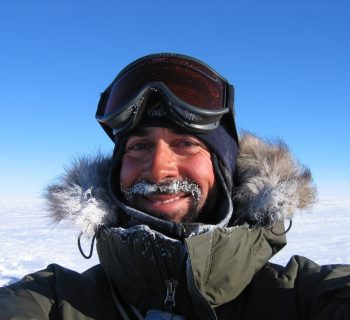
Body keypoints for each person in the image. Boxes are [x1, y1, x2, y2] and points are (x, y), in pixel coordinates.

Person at [0, 53, 349, 319]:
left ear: (223, 169)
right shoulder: (55, 299)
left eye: (185, 143)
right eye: (139, 146)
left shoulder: (302, 296)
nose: (158, 168)